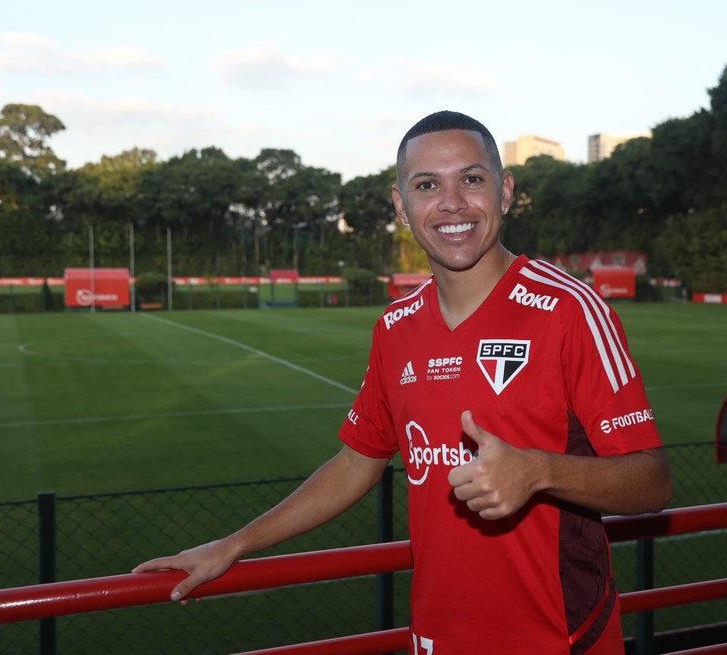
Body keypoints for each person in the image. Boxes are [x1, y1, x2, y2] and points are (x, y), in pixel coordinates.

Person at [134, 110, 672, 654]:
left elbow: (652, 481)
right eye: (427, 185)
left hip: (561, 639)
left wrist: (539, 471)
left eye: (472, 178)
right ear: (401, 206)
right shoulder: (396, 327)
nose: (453, 202)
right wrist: (235, 544)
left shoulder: (569, 310)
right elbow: (354, 463)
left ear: (505, 191)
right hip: (436, 637)